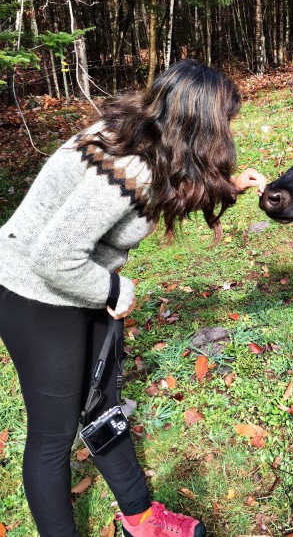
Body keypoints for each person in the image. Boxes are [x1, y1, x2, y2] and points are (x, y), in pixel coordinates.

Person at [0, 60, 266, 537]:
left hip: (76, 283)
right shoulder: (131, 166)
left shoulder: (142, 136)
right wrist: (116, 288)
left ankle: (140, 519)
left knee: (102, 408)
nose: (229, 130)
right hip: (32, 292)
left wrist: (229, 185)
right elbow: (53, 256)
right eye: (225, 120)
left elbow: (175, 182)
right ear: (202, 123)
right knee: (53, 437)